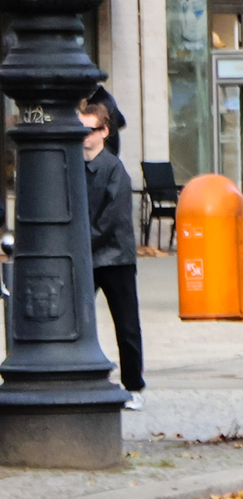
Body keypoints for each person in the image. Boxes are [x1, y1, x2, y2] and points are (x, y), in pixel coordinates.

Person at [81, 97, 143, 408]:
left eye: (89, 131)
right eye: (80, 131)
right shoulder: (73, 167)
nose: (84, 137)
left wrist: (80, 242)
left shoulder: (114, 169)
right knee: (78, 319)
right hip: (88, 255)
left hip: (115, 257)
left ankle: (133, 386)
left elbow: (112, 218)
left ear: (105, 131)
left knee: (126, 324)